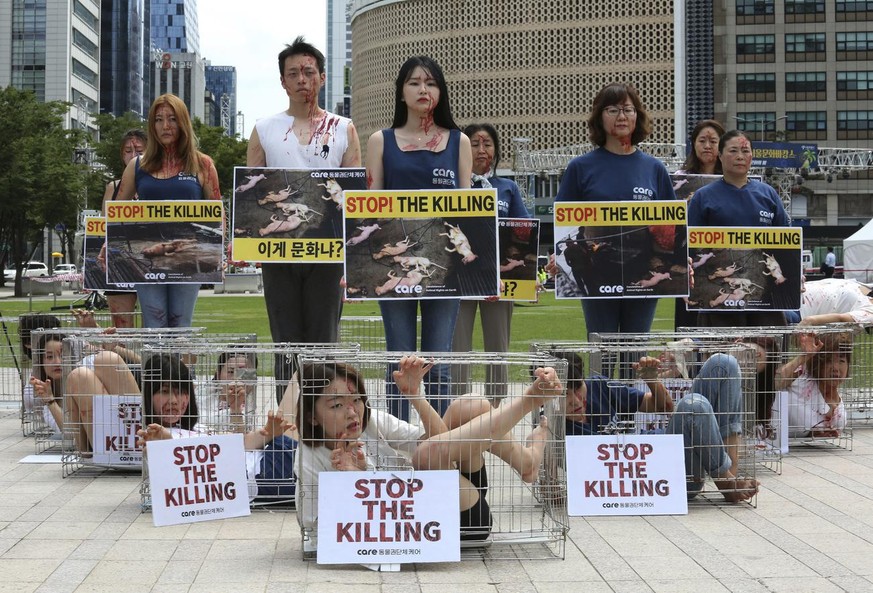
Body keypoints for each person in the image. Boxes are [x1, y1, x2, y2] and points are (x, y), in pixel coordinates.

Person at [294, 355, 558, 544]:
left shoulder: (371, 421)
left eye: (356, 400)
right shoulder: (309, 456)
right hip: (449, 524)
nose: (352, 412)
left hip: (454, 491)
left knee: (471, 405)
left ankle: (526, 463)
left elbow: (445, 443)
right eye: (337, 405)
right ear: (311, 417)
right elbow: (317, 531)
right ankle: (528, 402)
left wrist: (415, 396)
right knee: (427, 454)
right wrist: (355, 480)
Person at [365, 56, 472, 419]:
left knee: (438, 364)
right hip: (395, 264)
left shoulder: (460, 142)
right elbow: (370, 209)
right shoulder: (381, 141)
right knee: (400, 360)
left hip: (445, 266)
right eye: (414, 82)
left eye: (431, 83)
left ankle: (439, 447)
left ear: (440, 92)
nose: (423, 89)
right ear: (401, 92)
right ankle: (399, 448)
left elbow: (470, 215)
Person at [247, 37, 361, 352]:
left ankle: (320, 402)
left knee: (324, 340)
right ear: (283, 81)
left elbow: (352, 196)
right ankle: (289, 401)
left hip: (327, 250)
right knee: (285, 340)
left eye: (309, 72)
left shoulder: (343, 128)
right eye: (293, 73)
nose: (302, 79)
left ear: (322, 78)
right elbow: (252, 191)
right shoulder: (264, 129)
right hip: (278, 251)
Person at [547, 83, 676, 343]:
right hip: (595, 269)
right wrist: (556, 255)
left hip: (641, 273)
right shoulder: (580, 168)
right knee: (600, 351)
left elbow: (671, 225)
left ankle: (630, 386)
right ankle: (599, 387)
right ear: (599, 116)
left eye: (628, 109)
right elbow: (564, 221)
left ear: (637, 116)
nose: (621, 116)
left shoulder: (654, 169)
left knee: (635, 351)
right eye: (613, 109)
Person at [557, 350, 758, 502]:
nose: (575, 401)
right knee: (694, 406)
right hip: (666, 476)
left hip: (666, 443)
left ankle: (729, 472)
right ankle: (727, 482)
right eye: (565, 395)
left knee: (723, 363)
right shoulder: (554, 429)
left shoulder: (597, 386)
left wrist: (651, 379)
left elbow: (664, 407)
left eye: (578, 389)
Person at [104, 93, 221, 328]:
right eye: (158, 119)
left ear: (183, 122)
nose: (165, 126)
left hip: (188, 254)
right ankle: (155, 366)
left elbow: (217, 210)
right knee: (154, 324)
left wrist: (220, 253)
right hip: (147, 256)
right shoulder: (138, 165)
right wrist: (108, 242)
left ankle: (178, 367)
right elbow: (116, 210)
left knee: (180, 324)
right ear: (152, 125)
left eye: (172, 119)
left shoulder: (202, 164)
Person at [137, 353, 299, 504]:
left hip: (269, 459)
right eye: (164, 392)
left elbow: (240, 443)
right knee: (303, 376)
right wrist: (164, 445)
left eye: (181, 392)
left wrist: (269, 432)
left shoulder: (194, 428)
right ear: (149, 394)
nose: (173, 400)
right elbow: (174, 474)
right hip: (264, 474)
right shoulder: (155, 435)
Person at [452, 123, 530, 398]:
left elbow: (524, 231)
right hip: (461, 278)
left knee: (498, 350)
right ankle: (457, 415)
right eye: (474, 143)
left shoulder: (507, 188)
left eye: (488, 144)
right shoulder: (451, 186)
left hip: (499, 282)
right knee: (457, 351)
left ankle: (495, 415)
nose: (482, 150)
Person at [687, 130, 790, 327]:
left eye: (745, 150)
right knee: (720, 355)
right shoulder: (703, 197)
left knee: (767, 352)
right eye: (733, 150)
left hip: (764, 297)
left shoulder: (768, 195)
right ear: (720, 156)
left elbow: (786, 244)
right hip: (719, 292)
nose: (740, 156)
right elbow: (688, 244)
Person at [674, 119, 725, 329]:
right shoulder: (679, 179)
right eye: (702, 140)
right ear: (693, 144)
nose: (707, 146)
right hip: (688, 261)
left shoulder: (732, 179)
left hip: (720, 257)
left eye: (713, 141)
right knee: (688, 325)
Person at [101, 129, 147, 328]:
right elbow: (104, 227)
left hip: (149, 263)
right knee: (121, 327)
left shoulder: (157, 185)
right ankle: (125, 359)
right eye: (128, 150)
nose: (133, 155)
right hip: (119, 265)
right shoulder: (113, 187)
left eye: (139, 149)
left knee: (154, 326)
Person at [776, 332, 849, 439]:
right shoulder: (801, 377)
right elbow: (772, 382)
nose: (835, 368)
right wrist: (804, 357)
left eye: (841, 361)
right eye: (829, 361)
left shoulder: (839, 411)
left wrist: (815, 433)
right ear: (817, 362)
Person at [797, 278, 873, 326]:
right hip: (795, 291)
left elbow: (841, 318)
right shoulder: (866, 287)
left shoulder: (869, 311)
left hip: (800, 310)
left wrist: (810, 320)